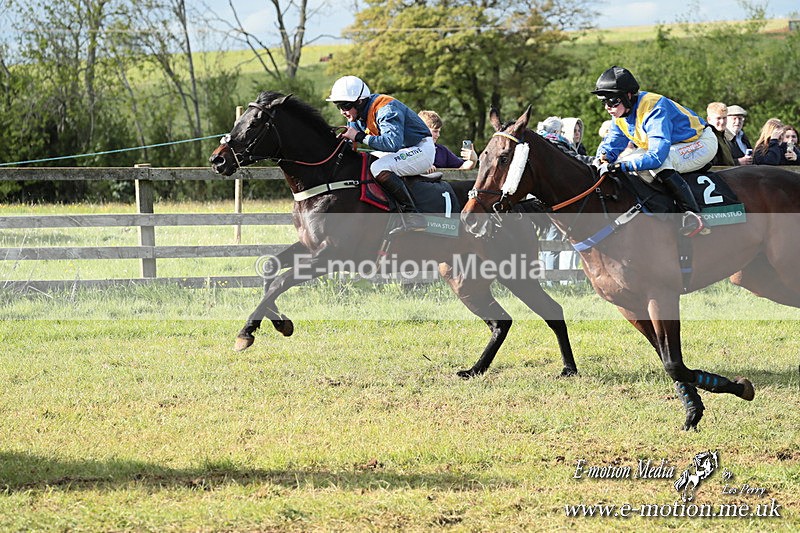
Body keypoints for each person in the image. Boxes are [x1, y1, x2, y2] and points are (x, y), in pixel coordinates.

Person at [592, 66, 717, 237]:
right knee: (630, 160)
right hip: (674, 146)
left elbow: (657, 156)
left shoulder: (653, 107)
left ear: (628, 96)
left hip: (699, 142)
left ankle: (694, 216)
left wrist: (620, 166)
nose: (607, 107)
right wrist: (602, 158)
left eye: (612, 101)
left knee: (659, 162)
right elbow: (611, 145)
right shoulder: (620, 116)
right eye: (604, 102)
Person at [328, 75, 434, 232]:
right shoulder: (356, 115)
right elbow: (353, 144)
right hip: (402, 151)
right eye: (338, 106)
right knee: (366, 163)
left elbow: (392, 144)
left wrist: (358, 136)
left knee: (378, 167)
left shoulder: (386, 108)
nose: (343, 112)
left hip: (421, 149)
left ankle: (413, 216)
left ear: (360, 101)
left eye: (345, 105)